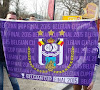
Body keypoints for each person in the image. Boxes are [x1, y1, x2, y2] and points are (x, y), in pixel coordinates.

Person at [0, 11, 20, 90]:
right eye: (9, 18)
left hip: (10, 62)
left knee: (14, 81)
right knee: (0, 83)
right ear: (5, 19)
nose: (11, 21)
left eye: (13, 19)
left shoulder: (19, 32)